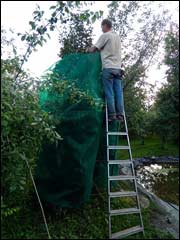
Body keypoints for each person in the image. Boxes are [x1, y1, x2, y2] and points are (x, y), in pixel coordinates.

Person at [87, 19, 124, 122]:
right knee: (118, 92)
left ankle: (112, 115)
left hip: (108, 67)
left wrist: (88, 50)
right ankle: (120, 114)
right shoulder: (117, 37)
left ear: (105, 25)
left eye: (101, 26)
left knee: (109, 92)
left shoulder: (105, 35)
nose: (101, 28)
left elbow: (94, 49)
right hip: (118, 68)